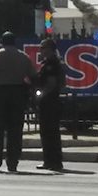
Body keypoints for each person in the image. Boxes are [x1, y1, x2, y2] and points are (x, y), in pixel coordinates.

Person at [0, 31, 37, 173]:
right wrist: (32, 96)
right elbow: (34, 78)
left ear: (2, 42)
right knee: (15, 132)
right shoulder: (24, 57)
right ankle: (12, 162)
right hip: (17, 95)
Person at [36, 38, 64, 171]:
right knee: (48, 132)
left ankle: (52, 161)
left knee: (49, 133)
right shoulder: (47, 63)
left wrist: (41, 95)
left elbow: (51, 84)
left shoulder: (52, 64)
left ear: (50, 49)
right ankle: (51, 160)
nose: (41, 50)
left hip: (50, 102)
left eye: (44, 48)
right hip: (49, 102)